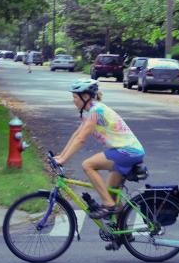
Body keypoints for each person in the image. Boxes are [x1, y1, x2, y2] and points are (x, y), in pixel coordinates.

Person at [54, 79, 145, 219]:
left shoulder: (97, 111)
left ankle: (108, 205)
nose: (73, 101)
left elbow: (81, 139)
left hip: (127, 151)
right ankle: (122, 236)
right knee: (111, 194)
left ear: (85, 97)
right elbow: (76, 135)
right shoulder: (90, 112)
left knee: (88, 165)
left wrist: (63, 159)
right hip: (126, 151)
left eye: (75, 97)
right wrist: (61, 156)